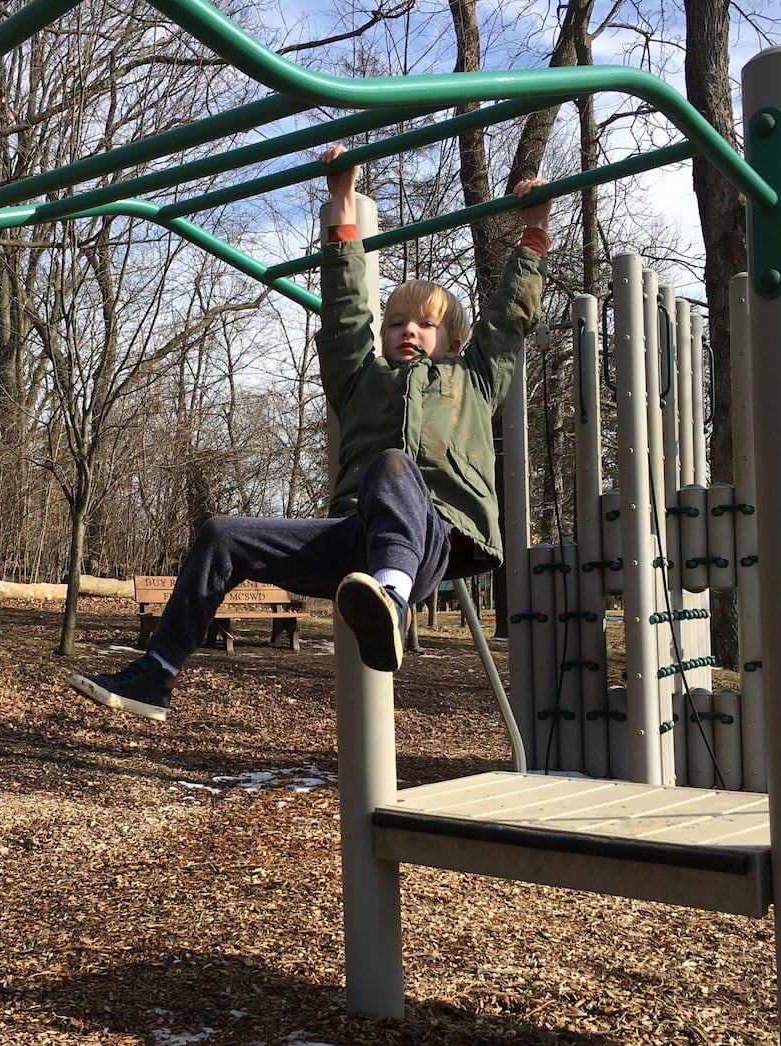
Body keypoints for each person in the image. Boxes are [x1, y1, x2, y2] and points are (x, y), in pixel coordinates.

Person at [70, 145, 552, 720]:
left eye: (425, 325)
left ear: (452, 342)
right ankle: (155, 674)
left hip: (436, 538)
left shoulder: (472, 379)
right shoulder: (360, 380)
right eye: (396, 322)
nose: (407, 332)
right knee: (222, 534)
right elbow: (347, 315)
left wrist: (533, 233)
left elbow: (508, 320)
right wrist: (342, 200)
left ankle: (392, 603)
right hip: (352, 538)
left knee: (392, 464)